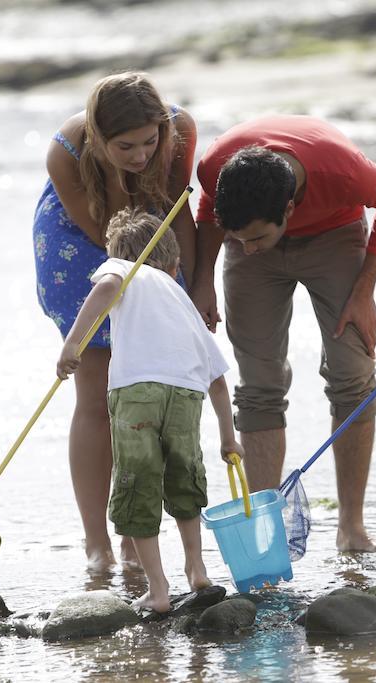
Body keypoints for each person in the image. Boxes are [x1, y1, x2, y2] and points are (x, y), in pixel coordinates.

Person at [190, 115, 376, 552]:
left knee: (352, 372)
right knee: (257, 384)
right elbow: (210, 211)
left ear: (288, 209)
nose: (247, 249)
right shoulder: (214, 167)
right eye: (240, 239)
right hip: (255, 243)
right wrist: (204, 279)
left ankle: (352, 528)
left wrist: (364, 292)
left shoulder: (342, 170)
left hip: (334, 234)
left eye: (256, 238)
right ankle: (264, 536)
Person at [32, 71, 198, 571]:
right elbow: (109, 239)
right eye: (125, 146)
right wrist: (112, 175)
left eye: (151, 141)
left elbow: (179, 214)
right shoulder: (66, 151)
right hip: (81, 242)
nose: (143, 155)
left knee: (145, 395)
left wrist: (190, 289)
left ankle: (135, 536)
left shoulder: (179, 131)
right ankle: (96, 540)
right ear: (99, 139)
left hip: (152, 234)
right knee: (98, 396)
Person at [56, 208, 243, 614]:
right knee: (183, 479)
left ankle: (158, 590)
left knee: (137, 486)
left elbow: (105, 287)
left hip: (137, 390)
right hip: (185, 394)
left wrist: (74, 344)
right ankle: (197, 569)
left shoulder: (124, 266)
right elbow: (218, 378)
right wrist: (229, 437)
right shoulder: (183, 300)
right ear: (174, 265)